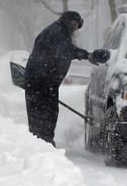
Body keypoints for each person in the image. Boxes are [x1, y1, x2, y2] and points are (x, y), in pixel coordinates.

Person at [23, 11, 90, 147]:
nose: (76, 29)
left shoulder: (57, 31)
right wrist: (88, 55)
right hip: (42, 81)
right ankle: (43, 142)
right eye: (76, 25)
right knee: (46, 112)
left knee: (42, 112)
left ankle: (40, 141)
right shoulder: (57, 33)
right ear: (71, 22)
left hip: (42, 81)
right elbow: (66, 51)